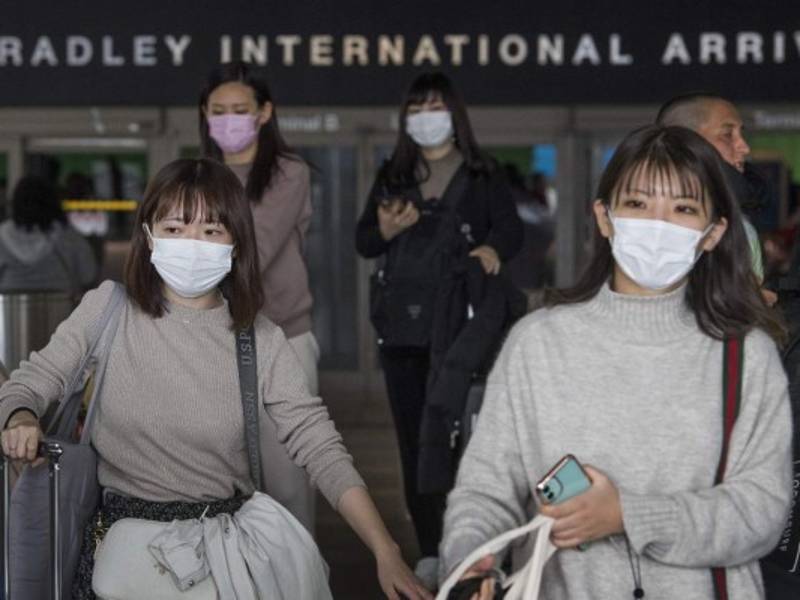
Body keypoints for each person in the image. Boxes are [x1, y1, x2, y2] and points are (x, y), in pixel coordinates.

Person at [0, 158, 432, 600]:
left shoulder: (258, 338)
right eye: (174, 229)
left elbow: (319, 446)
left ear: (235, 244)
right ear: (148, 236)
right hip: (124, 553)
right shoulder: (108, 309)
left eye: (211, 231)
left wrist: (386, 549)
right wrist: (20, 415)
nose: (192, 244)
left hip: (225, 558)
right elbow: (33, 380)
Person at [439, 125, 792, 599]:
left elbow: (761, 513)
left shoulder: (748, 356)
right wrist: (471, 558)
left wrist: (626, 514)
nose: (658, 224)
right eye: (638, 204)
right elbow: (486, 491)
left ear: (714, 232)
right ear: (604, 218)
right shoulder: (538, 344)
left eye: (684, 209)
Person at [355, 72, 522, 588]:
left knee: (462, 439)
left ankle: (467, 544)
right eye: (417, 108)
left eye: (435, 106)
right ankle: (431, 548)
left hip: (460, 329)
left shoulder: (481, 173)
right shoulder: (394, 172)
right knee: (413, 442)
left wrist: (493, 250)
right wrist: (386, 229)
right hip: (403, 331)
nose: (426, 117)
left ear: (454, 113)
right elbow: (365, 241)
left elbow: (511, 231)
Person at [199, 61, 318, 531]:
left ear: (265, 112)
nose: (229, 119)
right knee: (221, 480)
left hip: (281, 338)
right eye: (218, 110)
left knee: (288, 484)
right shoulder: (200, 176)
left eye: (240, 109)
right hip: (211, 343)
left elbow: (257, 247)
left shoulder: (288, 173)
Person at [656, 92, 776, 305]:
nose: (744, 147)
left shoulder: (741, 220)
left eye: (741, 134)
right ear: (687, 141)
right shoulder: (653, 219)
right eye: (727, 135)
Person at [0, 175, 97, 293]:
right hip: (61, 304)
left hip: (9, 305)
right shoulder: (68, 235)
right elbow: (88, 275)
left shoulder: (2, 235)